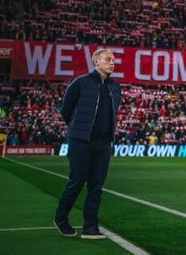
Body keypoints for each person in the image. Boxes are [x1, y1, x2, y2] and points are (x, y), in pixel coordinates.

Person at [54, 48, 122, 239]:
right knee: (76, 182)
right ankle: (61, 218)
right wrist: (78, 130)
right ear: (96, 62)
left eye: (114, 59)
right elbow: (66, 110)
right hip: (81, 142)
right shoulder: (80, 83)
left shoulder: (115, 87)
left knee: (96, 186)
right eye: (108, 59)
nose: (112, 62)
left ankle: (90, 226)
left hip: (103, 144)